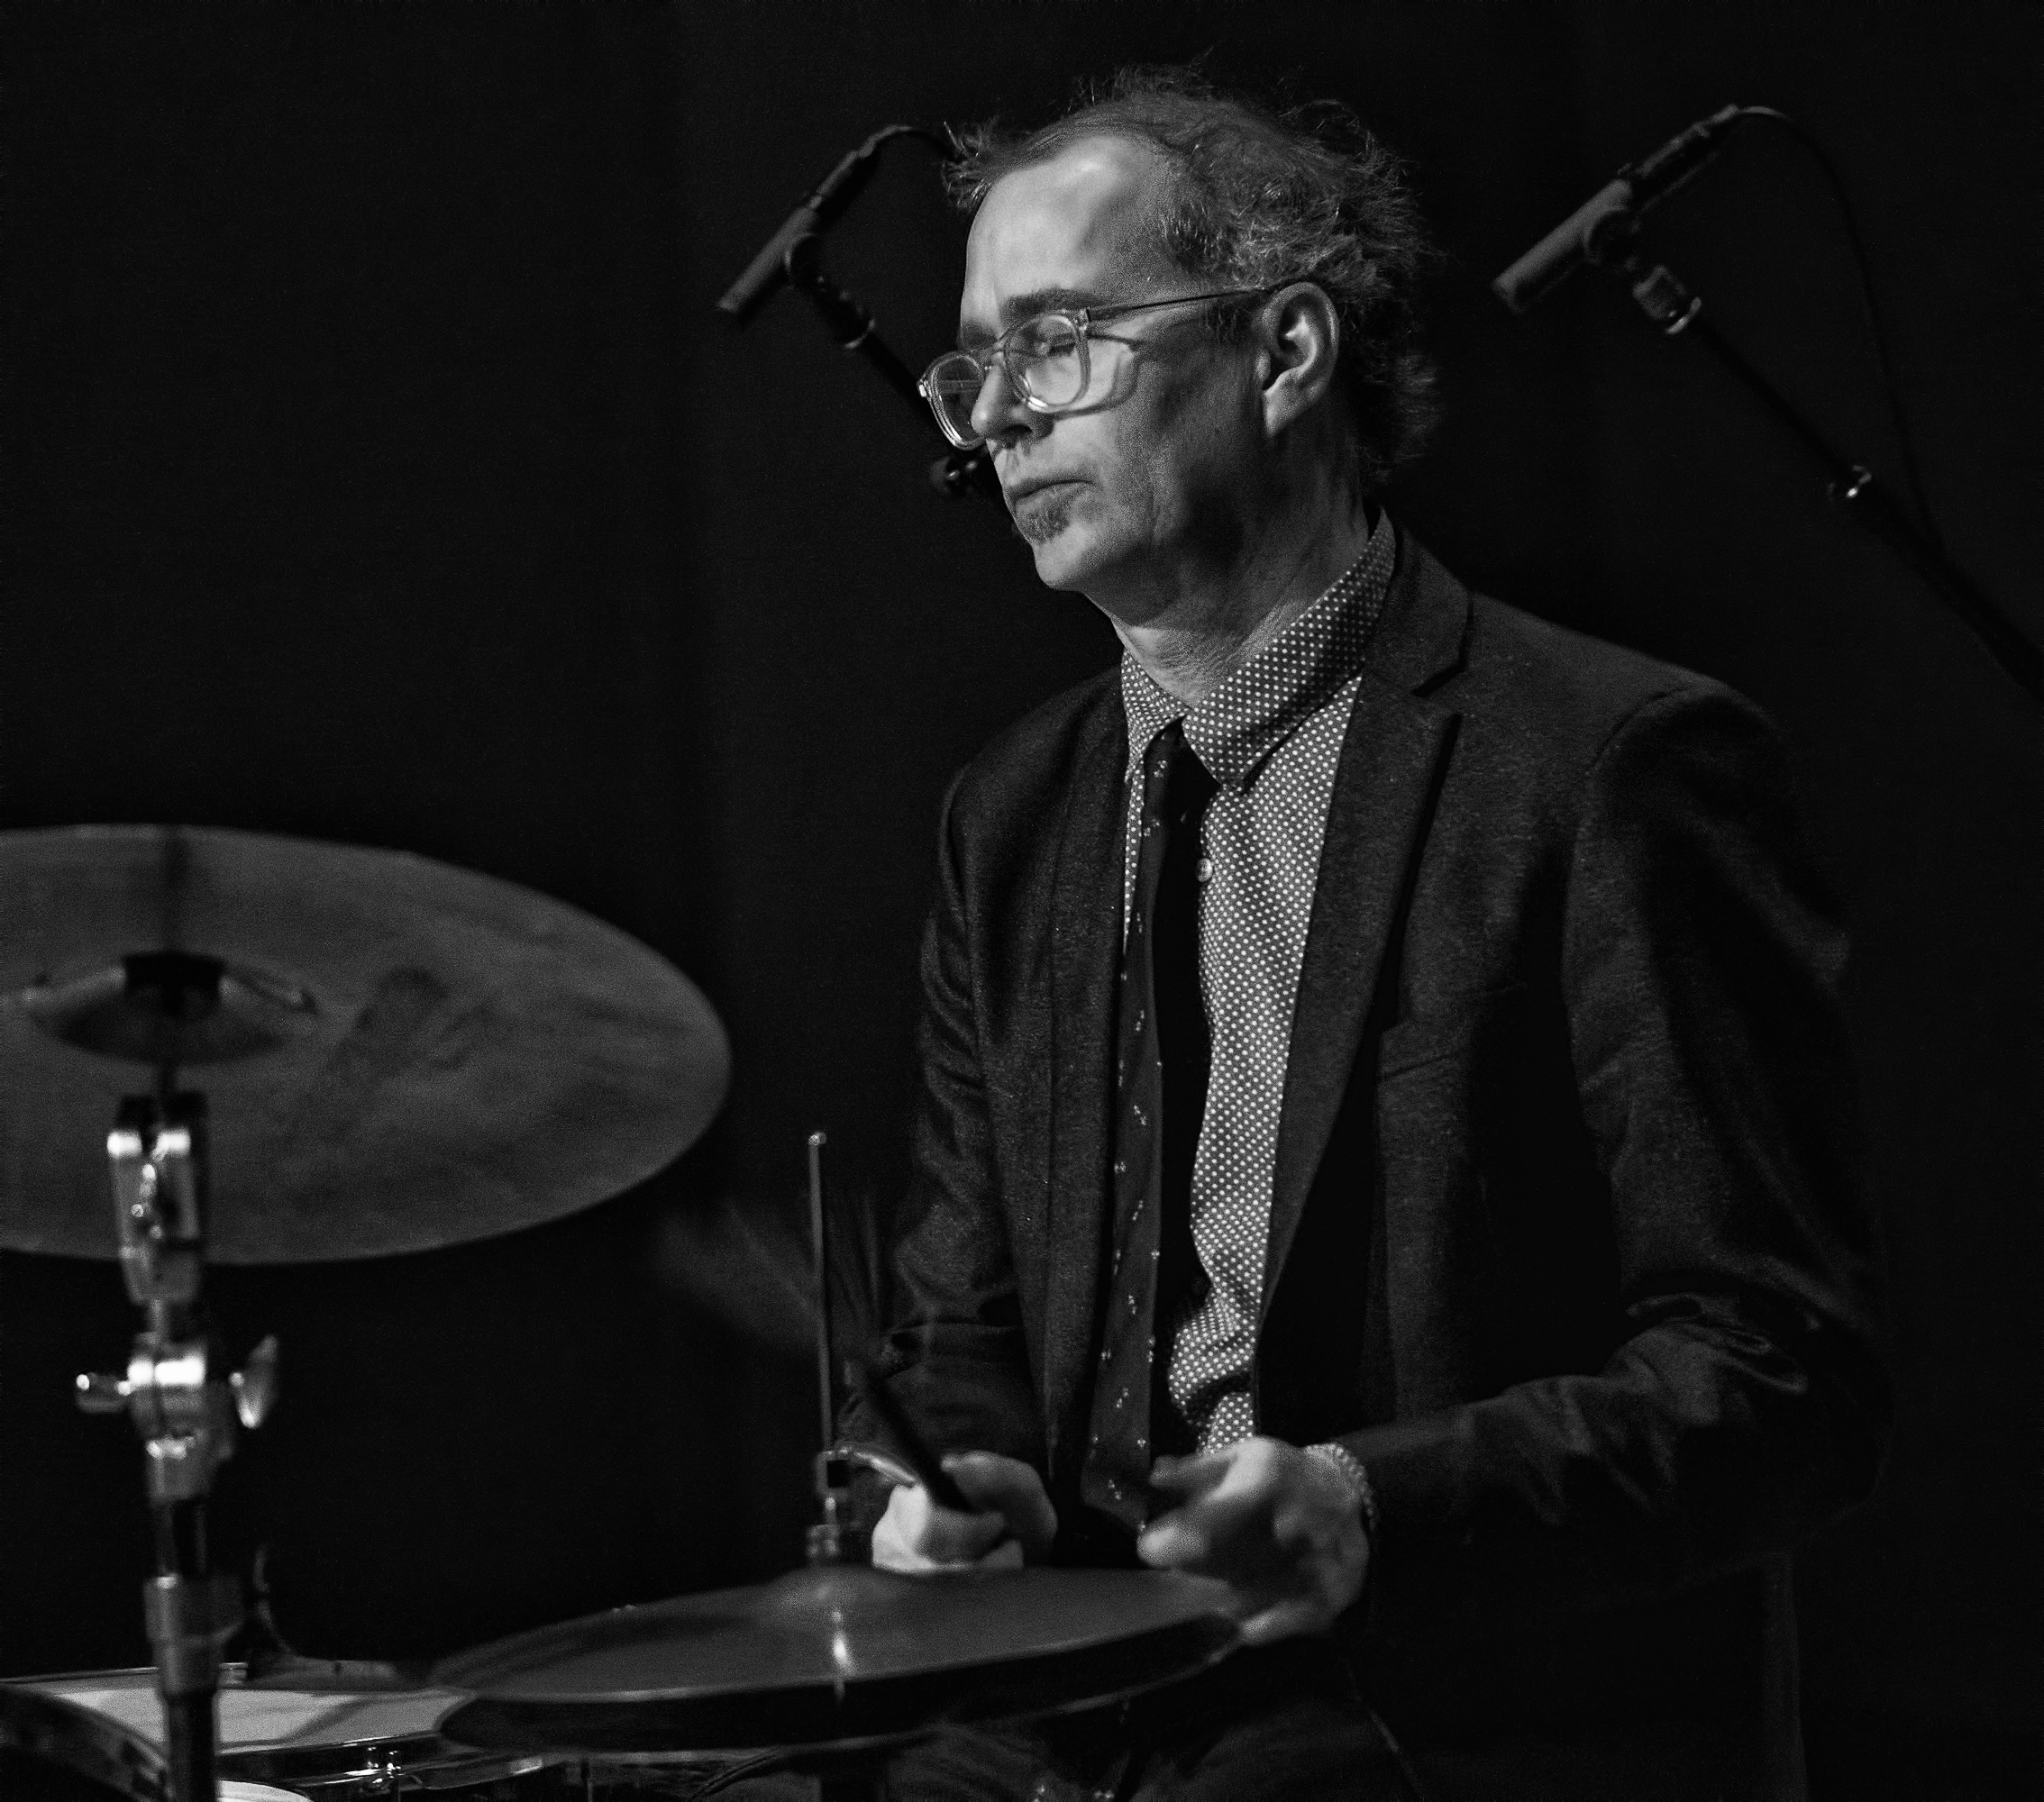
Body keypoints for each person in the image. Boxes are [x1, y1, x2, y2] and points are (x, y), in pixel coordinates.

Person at [846, 68, 1888, 1802]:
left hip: (1436, 1710)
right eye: (975, 367)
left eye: (1059, 342)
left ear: (1286, 352)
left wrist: (1364, 1506)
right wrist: (954, 1482)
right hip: (1070, 1705)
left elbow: (1783, 1377)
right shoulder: (1010, 817)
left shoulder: (1609, 766)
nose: (995, 420)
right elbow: (959, 1327)